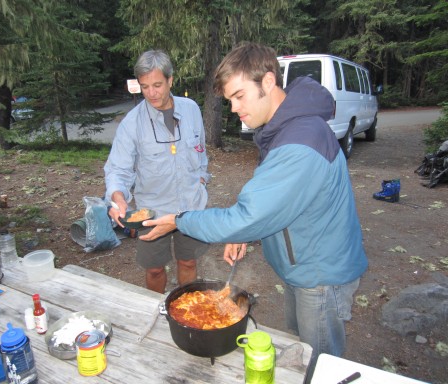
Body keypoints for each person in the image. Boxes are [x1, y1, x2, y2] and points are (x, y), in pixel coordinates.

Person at [141, 43, 368, 369]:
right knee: (300, 341)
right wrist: (248, 233)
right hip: (302, 263)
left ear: (268, 82)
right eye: (230, 100)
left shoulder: (300, 141)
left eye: (239, 96)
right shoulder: (284, 128)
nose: (234, 109)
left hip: (321, 273)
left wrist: (180, 220)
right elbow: (280, 202)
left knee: (322, 362)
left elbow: (248, 214)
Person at [104, 49, 210, 293]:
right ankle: (156, 310)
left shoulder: (191, 109)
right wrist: (118, 197)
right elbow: (117, 169)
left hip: (190, 208)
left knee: (188, 260)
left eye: (157, 85)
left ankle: (188, 309)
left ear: (170, 80)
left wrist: (202, 179)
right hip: (152, 212)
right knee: (154, 268)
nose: (151, 93)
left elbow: (201, 151)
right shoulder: (132, 123)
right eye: (144, 86)